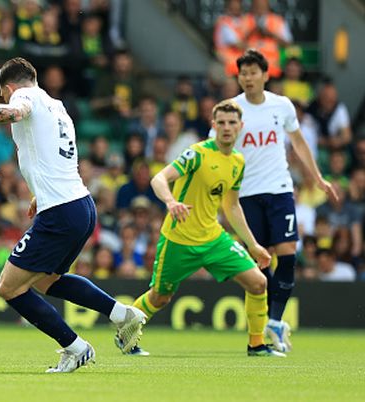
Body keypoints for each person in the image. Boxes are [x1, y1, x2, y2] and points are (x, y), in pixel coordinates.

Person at [0, 57, 146, 373]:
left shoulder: (24, 97)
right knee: (47, 281)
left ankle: (76, 348)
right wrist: (38, 193)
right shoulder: (57, 106)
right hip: (79, 204)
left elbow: (15, 112)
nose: (8, 100)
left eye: (5, 95)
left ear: (8, 87)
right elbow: (54, 155)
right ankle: (120, 314)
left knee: (8, 287)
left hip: (61, 210)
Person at [126, 100, 282, 357]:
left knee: (258, 283)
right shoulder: (197, 153)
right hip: (179, 238)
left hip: (213, 238)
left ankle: (257, 344)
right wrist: (170, 201)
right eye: (221, 122)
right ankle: (125, 332)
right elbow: (159, 178)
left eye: (232, 123)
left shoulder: (238, 162)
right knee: (160, 297)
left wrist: (253, 244)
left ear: (241, 127)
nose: (227, 127)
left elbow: (232, 207)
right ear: (213, 125)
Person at [216, 49, 337, 353]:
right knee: (260, 260)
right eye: (243, 73)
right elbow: (215, 145)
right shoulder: (231, 110)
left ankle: (275, 320)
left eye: (253, 72)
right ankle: (268, 322)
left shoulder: (281, 106)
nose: (248, 78)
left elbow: (298, 142)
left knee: (287, 253)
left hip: (279, 189)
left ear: (266, 75)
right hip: (244, 195)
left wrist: (318, 177)